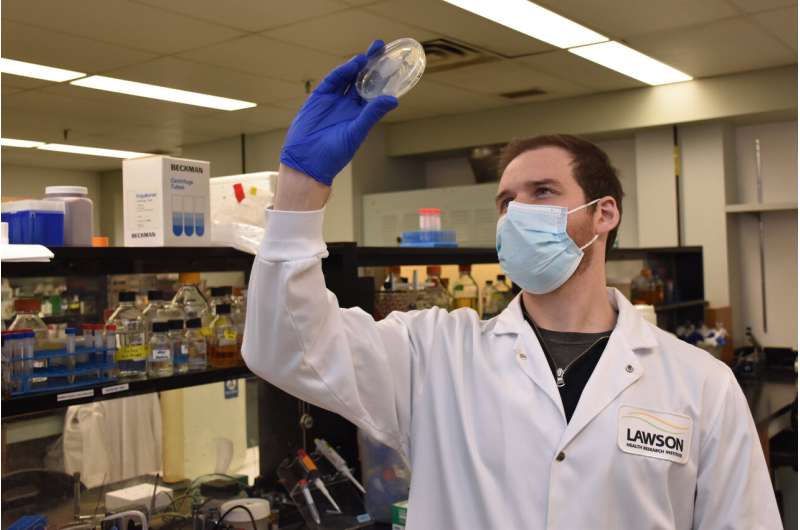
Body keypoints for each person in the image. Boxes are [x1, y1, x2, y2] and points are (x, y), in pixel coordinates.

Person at [242, 40, 781, 529]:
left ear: (604, 214)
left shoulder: (701, 385)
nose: (519, 212)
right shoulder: (435, 355)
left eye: (543, 191)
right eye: (506, 201)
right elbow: (287, 347)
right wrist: (301, 187)